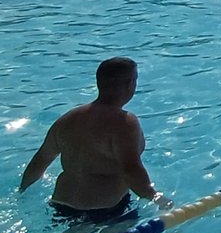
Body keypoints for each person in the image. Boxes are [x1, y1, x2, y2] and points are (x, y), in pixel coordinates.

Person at [18, 57, 172, 222]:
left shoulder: (67, 119)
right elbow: (131, 170)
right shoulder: (125, 123)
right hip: (106, 210)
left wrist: (22, 192)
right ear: (130, 85)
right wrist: (157, 199)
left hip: (61, 205)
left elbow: (40, 161)